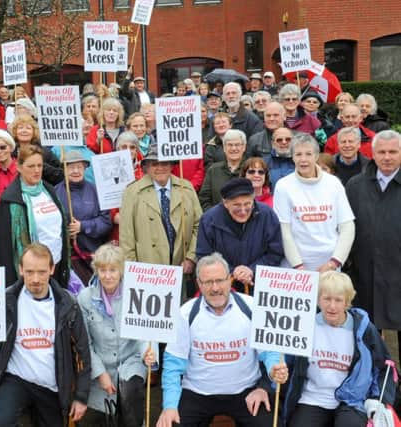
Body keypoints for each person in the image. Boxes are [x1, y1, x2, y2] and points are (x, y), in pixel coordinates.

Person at [156, 253, 288, 427]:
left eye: (220, 280)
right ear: (199, 284)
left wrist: (271, 374)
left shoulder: (252, 307)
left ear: (229, 280)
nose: (215, 288)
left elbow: (270, 351)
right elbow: (173, 365)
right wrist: (170, 406)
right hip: (197, 393)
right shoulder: (185, 313)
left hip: (246, 392)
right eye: (208, 282)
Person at [0, 243, 91, 426]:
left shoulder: (68, 304)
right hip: (16, 379)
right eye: (29, 272)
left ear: (52, 269)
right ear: (20, 269)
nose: (35, 279)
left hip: (52, 384)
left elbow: (81, 352)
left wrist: (81, 397)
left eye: (41, 272)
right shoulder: (5, 301)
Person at [283, 271, 396, 427]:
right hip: (312, 398)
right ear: (318, 300)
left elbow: (386, 367)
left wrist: (379, 400)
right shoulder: (305, 325)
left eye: (338, 300)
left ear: (347, 302)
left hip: (352, 400)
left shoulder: (364, 330)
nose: (332, 306)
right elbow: (286, 362)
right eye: (326, 299)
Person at [77, 244, 156, 426]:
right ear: (96, 271)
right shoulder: (85, 297)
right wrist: (100, 373)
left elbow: (147, 331)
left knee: (130, 393)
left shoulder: (136, 292)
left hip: (132, 359)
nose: (108, 275)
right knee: (104, 418)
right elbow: (85, 343)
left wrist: (147, 352)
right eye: (102, 270)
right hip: (101, 363)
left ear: (121, 270)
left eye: (113, 270)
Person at [346, 130, 401, 360]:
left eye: (393, 152)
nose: (387, 157)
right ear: (373, 153)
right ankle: (375, 388)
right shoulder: (355, 185)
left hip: (398, 272)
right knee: (368, 339)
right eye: (382, 152)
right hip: (365, 274)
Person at [273, 134, 355, 271]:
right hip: (296, 266)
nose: (303, 159)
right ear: (292, 157)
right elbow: (284, 230)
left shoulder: (333, 183)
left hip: (330, 265)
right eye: (298, 154)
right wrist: (298, 266)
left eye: (308, 154)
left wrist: (334, 262)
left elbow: (347, 226)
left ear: (316, 156)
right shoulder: (283, 186)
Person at [119, 145, 202, 276]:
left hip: (181, 268)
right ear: (146, 167)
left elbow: (199, 225)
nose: (160, 168)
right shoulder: (132, 192)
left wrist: (191, 258)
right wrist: (133, 270)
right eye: (154, 164)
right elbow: (126, 237)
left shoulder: (186, 188)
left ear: (171, 165)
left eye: (164, 163)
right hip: (147, 271)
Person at [0, 145, 70, 286]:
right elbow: (5, 249)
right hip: (32, 272)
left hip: (56, 263)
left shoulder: (49, 190)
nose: (36, 170)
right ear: (19, 167)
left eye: (39, 165)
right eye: (31, 166)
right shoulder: (10, 200)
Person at [196, 177, 283, 294]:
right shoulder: (209, 219)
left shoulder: (267, 214)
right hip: (222, 287)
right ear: (225, 203)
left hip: (260, 286)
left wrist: (252, 270)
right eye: (237, 205)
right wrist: (232, 271)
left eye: (247, 204)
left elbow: (276, 252)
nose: (243, 211)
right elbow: (204, 256)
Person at [55, 151, 112, 285]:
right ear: (64, 169)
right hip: (67, 258)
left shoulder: (96, 191)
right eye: (71, 167)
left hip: (92, 255)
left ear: (85, 168)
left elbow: (106, 222)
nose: (75, 171)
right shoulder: (55, 192)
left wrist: (83, 226)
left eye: (79, 167)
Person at [200, 129, 247, 210]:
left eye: (237, 145)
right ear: (224, 148)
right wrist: (215, 216)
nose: (233, 148)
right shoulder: (213, 170)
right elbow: (204, 198)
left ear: (244, 147)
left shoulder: (251, 169)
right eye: (230, 145)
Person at [11, 114, 64, 185]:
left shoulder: (45, 152)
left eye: (28, 128)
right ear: (15, 131)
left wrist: (39, 165)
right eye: (20, 128)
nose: (24, 131)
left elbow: (61, 175)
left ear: (34, 131)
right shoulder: (10, 152)